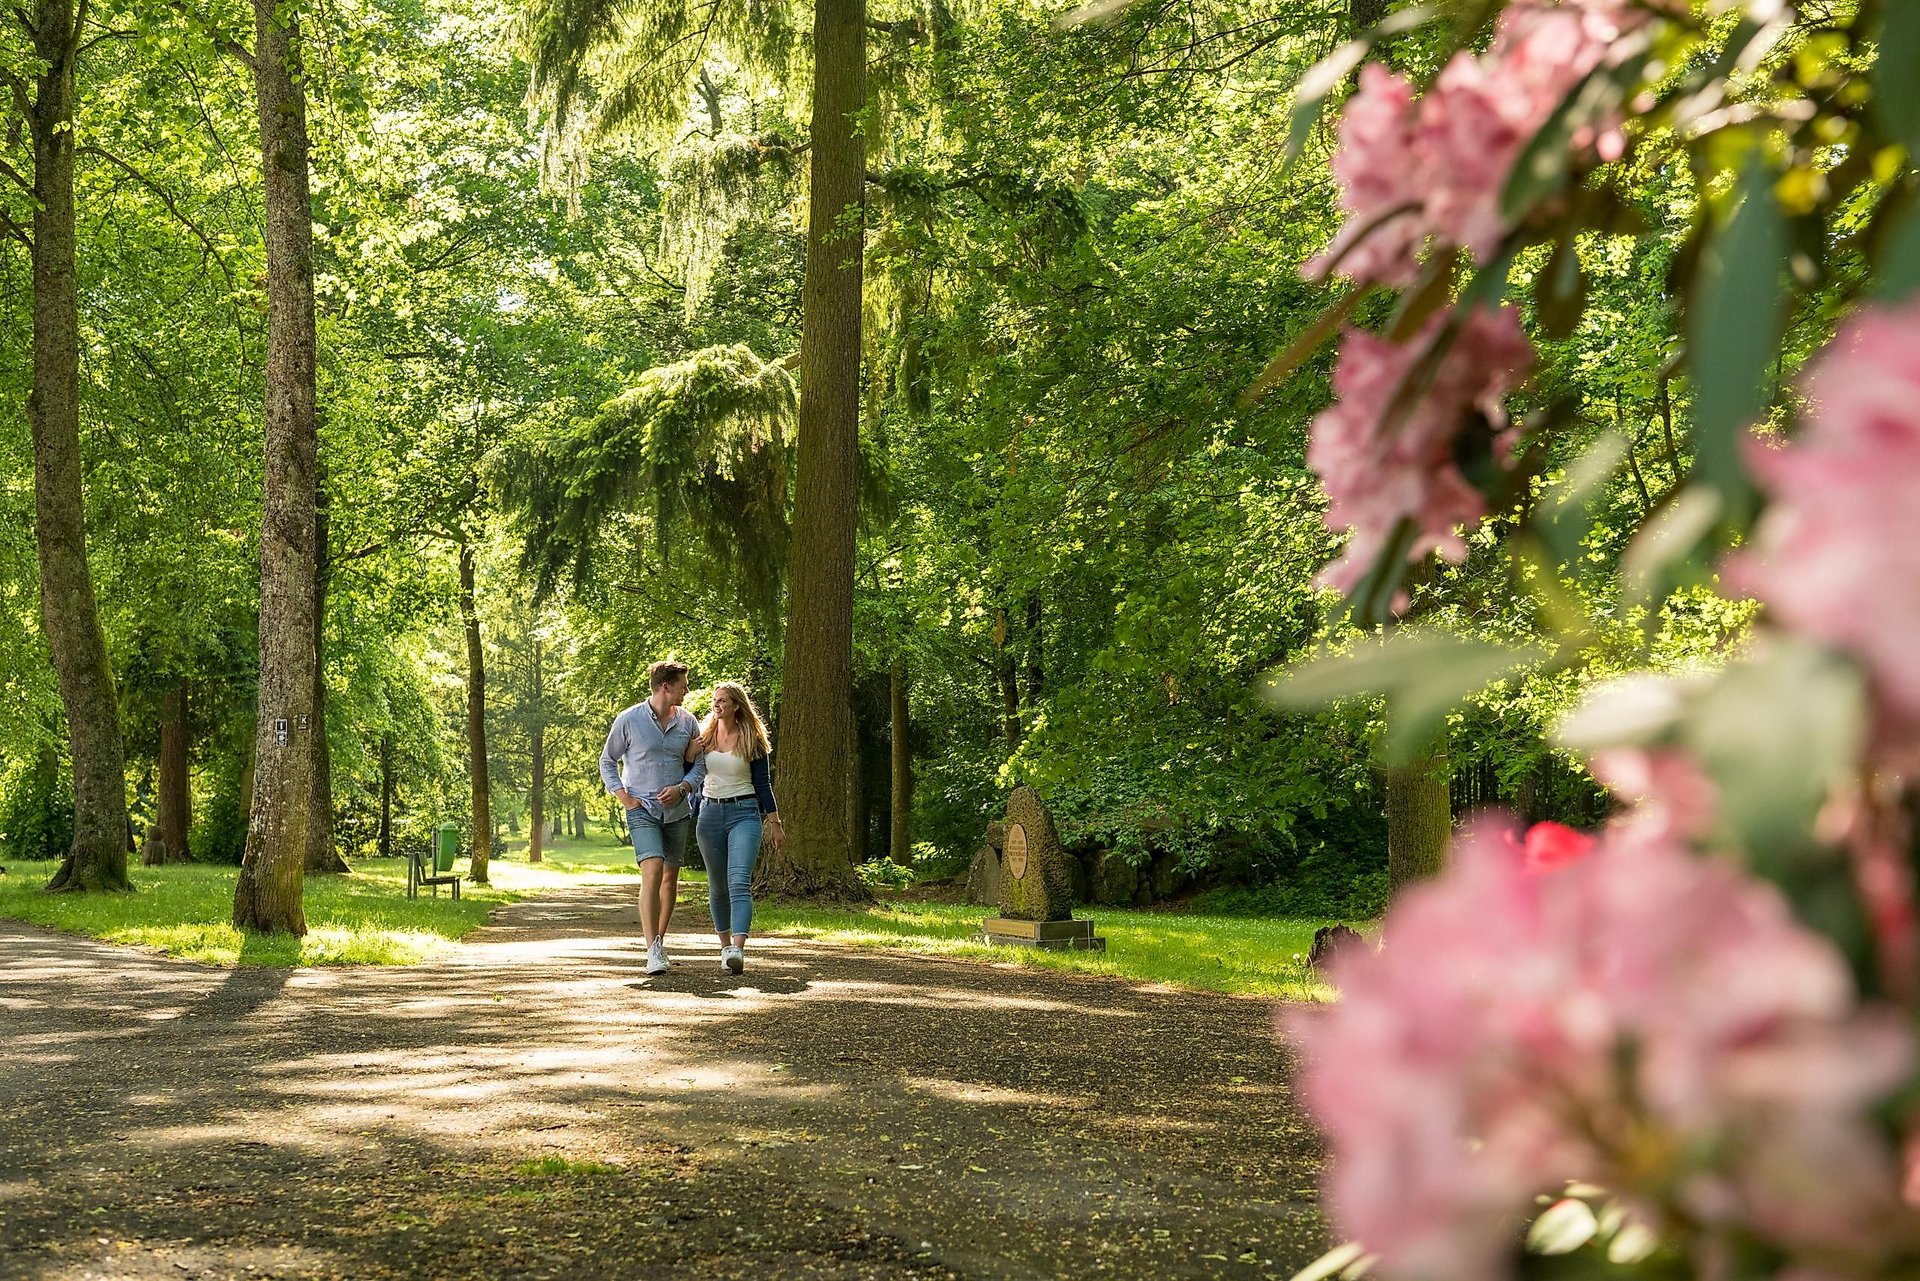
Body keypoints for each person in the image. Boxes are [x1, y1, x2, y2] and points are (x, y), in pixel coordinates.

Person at [599, 660, 705, 976]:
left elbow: (700, 766)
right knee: (653, 868)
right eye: (683, 685)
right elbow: (607, 761)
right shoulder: (629, 720)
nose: (686, 690)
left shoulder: (688, 723)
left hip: (676, 811)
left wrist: (683, 787)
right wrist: (625, 797)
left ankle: (660, 940)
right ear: (665, 687)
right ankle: (652, 951)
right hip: (641, 810)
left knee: (670, 876)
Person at [685, 681, 783, 975]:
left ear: (737, 705)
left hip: (744, 813)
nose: (717, 705)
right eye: (715, 701)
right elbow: (687, 767)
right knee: (717, 886)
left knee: (739, 881)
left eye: (723, 701)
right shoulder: (705, 736)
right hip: (710, 814)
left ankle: (738, 949)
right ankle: (725, 946)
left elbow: (763, 784)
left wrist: (774, 823)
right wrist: (690, 751)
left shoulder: (752, 738)